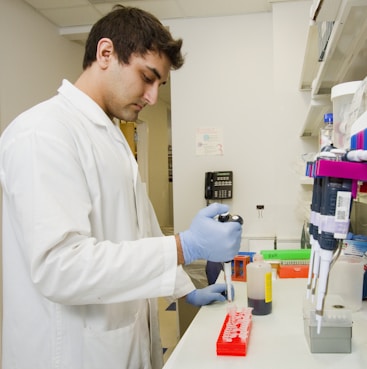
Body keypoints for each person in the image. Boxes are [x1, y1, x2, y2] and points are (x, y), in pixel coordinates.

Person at [0, 5, 242, 369]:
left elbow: (141, 233)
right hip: (68, 355)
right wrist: (185, 246)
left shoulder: (111, 139)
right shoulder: (43, 133)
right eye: (147, 77)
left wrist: (186, 288)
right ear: (106, 53)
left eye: (159, 84)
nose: (152, 97)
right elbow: (59, 267)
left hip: (121, 346)